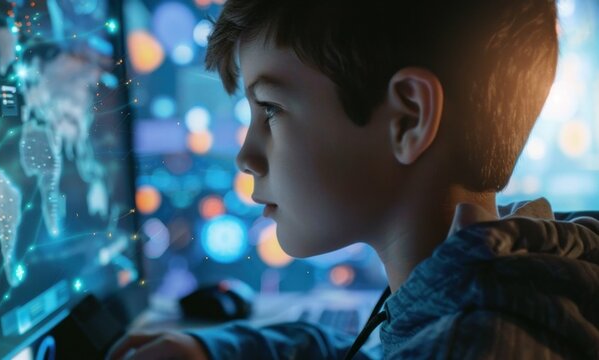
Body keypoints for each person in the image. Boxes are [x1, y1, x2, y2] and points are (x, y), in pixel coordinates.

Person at [108, 0, 599, 358]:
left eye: (271, 110)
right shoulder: (503, 274)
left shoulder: (473, 347)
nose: (247, 156)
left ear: (409, 118)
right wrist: (209, 351)